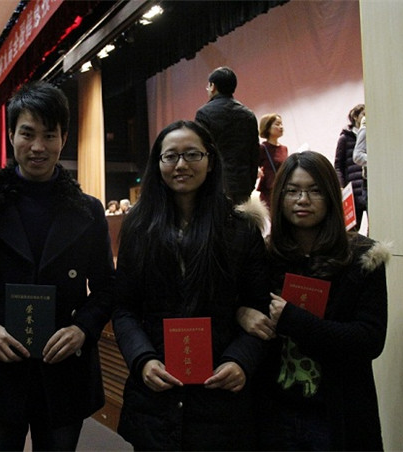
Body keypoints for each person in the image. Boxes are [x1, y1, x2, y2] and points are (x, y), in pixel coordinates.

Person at [0, 81, 115, 451]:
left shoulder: (88, 210)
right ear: (10, 136)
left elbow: (106, 287)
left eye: (49, 135)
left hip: (63, 367)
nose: (38, 147)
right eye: (27, 133)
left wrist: (82, 329)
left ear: (63, 138)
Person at [112, 120, 270, 450]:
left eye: (192, 154)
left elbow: (259, 309)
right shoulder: (139, 229)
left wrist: (241, 360)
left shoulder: (240, 230)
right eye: (170, 156)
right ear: (158, 164)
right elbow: (125, 308)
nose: (181, 164)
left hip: (221, 396)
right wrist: (142, 359)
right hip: (156, 396)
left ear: (210, 161)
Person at [238, 151, 389, 450]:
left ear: (331, 195)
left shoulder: (362, 257)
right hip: (274, 414)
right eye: (292, 191)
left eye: (314, 191)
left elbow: (370, 340)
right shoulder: (264, 256)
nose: (302, 200)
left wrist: (295, 320)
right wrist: (241, 313)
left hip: (337, 414)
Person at [195, 66, 259, 204]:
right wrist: (250, 184)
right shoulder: (248, 115)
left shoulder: (203, 114)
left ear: (213, 86)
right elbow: (254, 153)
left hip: (215, 184)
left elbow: (201, 150)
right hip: (243, 183)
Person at [334, 104, 367, 228]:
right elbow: (338, 165)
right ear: (355, 117)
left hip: (367, 186)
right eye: (363, 114)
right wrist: (341, 186)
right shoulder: (344, 138)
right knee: (352, 228)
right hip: (353, 190)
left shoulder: (370, 134)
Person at [257, 113, 289, 206]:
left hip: (284, 189)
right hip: (269, 192)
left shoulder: (284, 149)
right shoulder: (262, 148)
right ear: (267, 128)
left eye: (281, 124)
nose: (281, 127)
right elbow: (252, 164)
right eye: (277, 124)